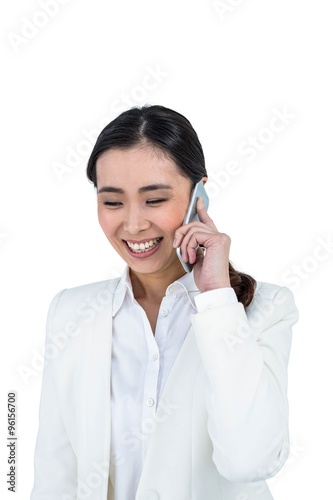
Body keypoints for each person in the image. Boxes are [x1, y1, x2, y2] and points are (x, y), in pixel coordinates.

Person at [31, 104, 299, 500]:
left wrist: (217, 299)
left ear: (199, 196)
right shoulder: (71, 313)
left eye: (154, 200)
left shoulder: (263, 309)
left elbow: (249, 460)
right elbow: (55, 477)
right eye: (112, 202)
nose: (134, 224)